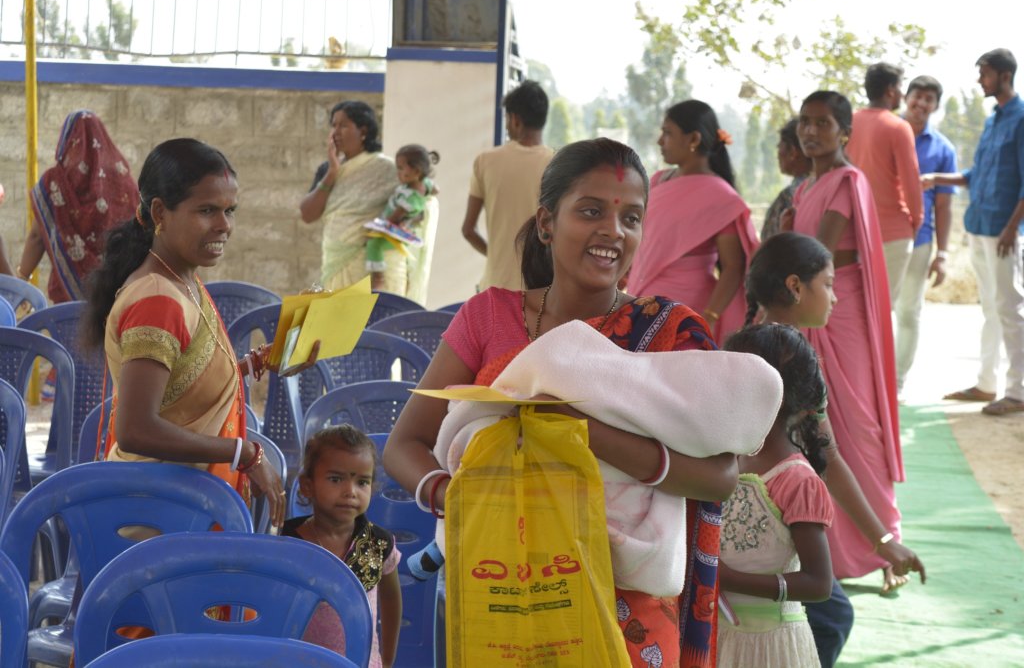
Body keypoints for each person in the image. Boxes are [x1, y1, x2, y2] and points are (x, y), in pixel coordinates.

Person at [384, 139, 741, 668]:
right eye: (592, 211)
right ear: (547, 223)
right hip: (504, 589)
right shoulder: (488, 317)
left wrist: (577, 428)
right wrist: (458, 498)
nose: (613, 231)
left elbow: (720, 477)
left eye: (631, 218)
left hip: (631, 614)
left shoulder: (667, 333)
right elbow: (404, 445)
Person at [83, 138, 320, 536]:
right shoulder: (157, 299)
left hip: (181, 506)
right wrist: (243, 452)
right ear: (160, 212)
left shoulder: (182, 280)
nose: (224, 225)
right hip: (159, 521)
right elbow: (136, 429)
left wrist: (261, 362)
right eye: (207, 210)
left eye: (230, 210)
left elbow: (181, 387)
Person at [745, 232, 926, 667]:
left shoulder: (746, 340)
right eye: (828, 284)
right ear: (795, 286)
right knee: (830, 617)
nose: (835, 297)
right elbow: (827, 457)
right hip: (772, 507)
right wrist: (883, 541)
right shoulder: (793, 356)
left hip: (736, 502)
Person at [791, 91, 903, 591]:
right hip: (809, 307)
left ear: (844, 132)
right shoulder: (806, 186)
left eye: (822, 123)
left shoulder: (846, 180)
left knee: (858, 424)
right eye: (805, 122)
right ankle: (833, 549)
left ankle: (885, 542)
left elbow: (816, 253)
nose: (811, 131)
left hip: (842, 307)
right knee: (818, 423)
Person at [718, 323, 835, 668]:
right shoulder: (724, 457)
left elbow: (818, 583)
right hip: (716, 634)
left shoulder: (797, 481)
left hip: (769, 647)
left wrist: (730, 580)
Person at [924, 48, 1024, 416]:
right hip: (980, 225)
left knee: (1010, 308)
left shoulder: (1021, 118)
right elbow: (975, 175)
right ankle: (986, 384)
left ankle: (1018, 391)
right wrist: (935, 178)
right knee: (991, 308)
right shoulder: (993, 120)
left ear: (1004, 75)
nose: (980, 80)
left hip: (1003, 232)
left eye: (984, 73)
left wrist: (1011, 229)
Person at [626, 99, 759, 343]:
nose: (660, 141)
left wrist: (709, 317)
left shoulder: (721, 196)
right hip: (641, 297)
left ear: (694, 139)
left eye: (668, 133)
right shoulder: (657, 180)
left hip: (687, 309)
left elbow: (733, 266)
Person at [283, 425, 402, 668]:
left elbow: (391, 599)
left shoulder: (377, 544)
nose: (350, 492)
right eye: (336, 479)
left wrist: (386, 660)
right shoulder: (286, 543)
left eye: (362, 482)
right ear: (307, 485)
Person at [18, 110, 140, 302]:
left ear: (67, 141)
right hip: (117, 295)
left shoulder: (54, 182)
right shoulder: (125, 184)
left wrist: (21, 279)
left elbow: (36, 237)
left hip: (67, 299)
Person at [462, 80, 553, 291]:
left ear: (515, 120)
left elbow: (468, 230)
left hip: (495, 286)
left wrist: (496, 256)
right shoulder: (557, 164)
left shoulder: (485, 161)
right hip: (540, 291)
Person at [897, 76, 957, 396]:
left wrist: (942, 254)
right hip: (878, 240)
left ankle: (896, 382)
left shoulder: (943, 148)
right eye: (917, 96)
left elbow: (944, 206)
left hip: (919, 242)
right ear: (905, 97)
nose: (921, 103)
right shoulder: (887, 132)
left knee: (909, 312)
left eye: (929, 99)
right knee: (875, 312)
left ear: (935, 106)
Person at [299, 101, 399, 292]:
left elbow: (414, 202)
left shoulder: (387, 169)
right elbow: (307, 214)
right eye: (333, 125)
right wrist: (332, 173)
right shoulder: (328, 169)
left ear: (363, 131)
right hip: (336, 262)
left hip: (371, 265)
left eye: (343, 126)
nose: (335, 132)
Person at [845, 63, 924, 303]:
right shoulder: (898, 127)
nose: (902, 94)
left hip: (853, 230)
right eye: (900, 87)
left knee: (857, 307)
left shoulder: (849, 123)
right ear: (890, 90)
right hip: (892, 233)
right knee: (882, 309)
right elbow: (911, 182)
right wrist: (916, 221)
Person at [364, 145, 440, 293]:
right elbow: (436, 189)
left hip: (395, 233)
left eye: (400, 168)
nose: (397, 173)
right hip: (399, 227)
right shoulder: (424, 184)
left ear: (416, 171)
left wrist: (375, 230)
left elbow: (392, 220)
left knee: (373, 244)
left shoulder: (409, 199)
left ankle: (378, 277)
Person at [761, 119, 813, 240]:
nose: (778, 154)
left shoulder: (788, 197)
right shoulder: (827, 187)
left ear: (793, 152)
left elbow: (771, 244)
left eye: (779, 146)